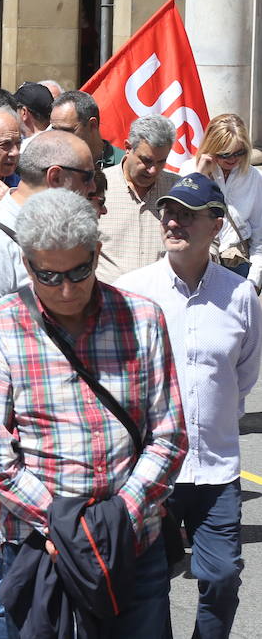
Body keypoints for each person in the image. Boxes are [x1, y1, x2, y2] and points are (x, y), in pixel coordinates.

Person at [0, 189, 187, 639]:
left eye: (79, 271)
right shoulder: (0, 323)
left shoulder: (143, 318)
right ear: (27, 264)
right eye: (49, 275)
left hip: (132, 544)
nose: (67, 289)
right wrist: (66, 528)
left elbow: (169, 437)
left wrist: (119, 517)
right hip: (39, 545)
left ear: (97, 253)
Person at [118, 173, 260, 639]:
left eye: (187, 214)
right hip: (151, 470)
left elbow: (244, 373)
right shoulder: (133, 291)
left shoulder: (240, 295)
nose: (172, 221)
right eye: (168, 211)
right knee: (148, 584)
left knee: (220, 576)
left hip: (216, 469)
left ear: (215, 225)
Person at [0, 131, 95, 550]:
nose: (92, 188)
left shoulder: (66, 235)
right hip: (19, 463)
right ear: (56, 177)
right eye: (87, 177)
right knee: (14, 595)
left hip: (71, 452)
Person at [179, 113, 262, 291]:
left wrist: (254, 280)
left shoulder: (254, 177)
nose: (232, 159)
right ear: (212, 148)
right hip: (198, 260)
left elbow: (259, 234)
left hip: (237, 264)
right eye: (225, 154)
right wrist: (201, 175)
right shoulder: (189, 170)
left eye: (239, 152)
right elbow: (182, 217)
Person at [97, 114, 179, 284]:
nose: (153, 170)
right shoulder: (96, 187)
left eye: (161, 162)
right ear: (128, 147)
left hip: (162, 301)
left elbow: (205, 238)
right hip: (109, 302)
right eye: (146, 161)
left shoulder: (178, 189)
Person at [50, 89, 125, 169]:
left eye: (66, 131)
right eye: (54, 131)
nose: (57, 140)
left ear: (92, 125)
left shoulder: (122, 165)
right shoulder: (47, 162)